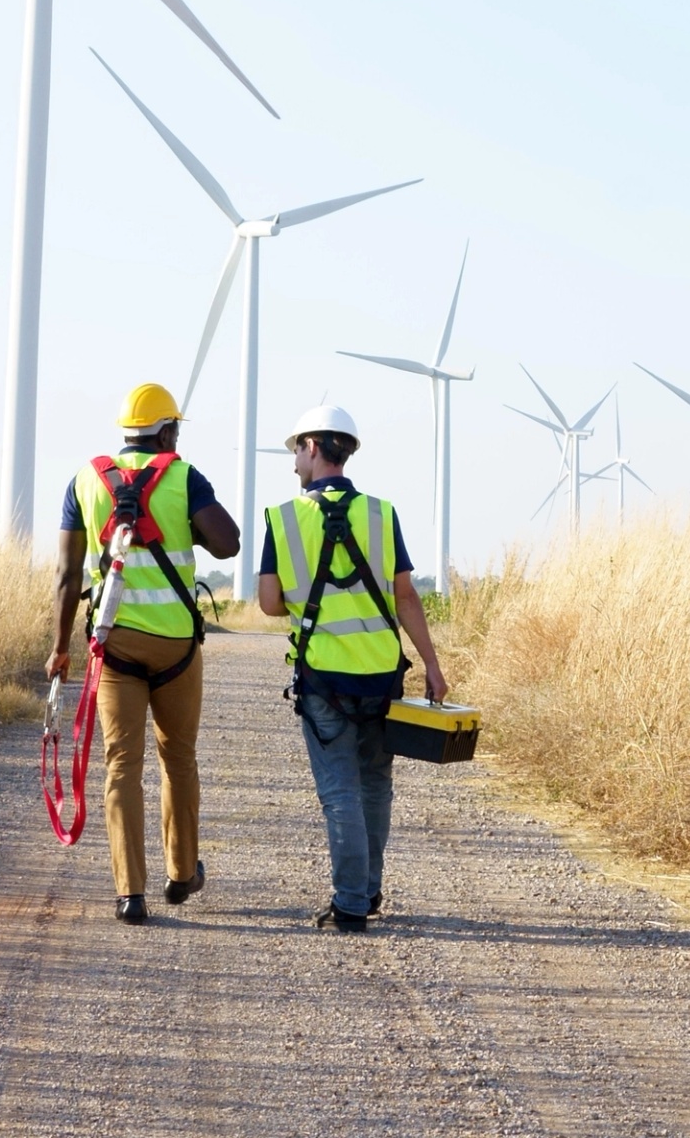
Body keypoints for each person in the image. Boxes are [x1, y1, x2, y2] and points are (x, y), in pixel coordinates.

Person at [49, 381, 243, 925]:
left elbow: (67, 575)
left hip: (114, 648)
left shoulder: (85, 480)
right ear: (168, 431)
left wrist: (60, 649)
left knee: (121, 765)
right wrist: (185, 521)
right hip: (177, 646)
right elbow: (227, 542)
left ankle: (129, 892)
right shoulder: (183, 475)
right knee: (177, 758)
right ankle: (181, 874)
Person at [257, 401, 451, 932]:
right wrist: (432, 665)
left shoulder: (283, 518)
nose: (294, 460)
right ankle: (365, 893)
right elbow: (407, 597)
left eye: (296, 448)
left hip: (324, 677)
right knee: (374, 786)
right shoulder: (383, 514)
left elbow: (270, 604)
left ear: (314, 447)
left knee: (340, 790)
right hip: (382, 674)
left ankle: (349, 905)